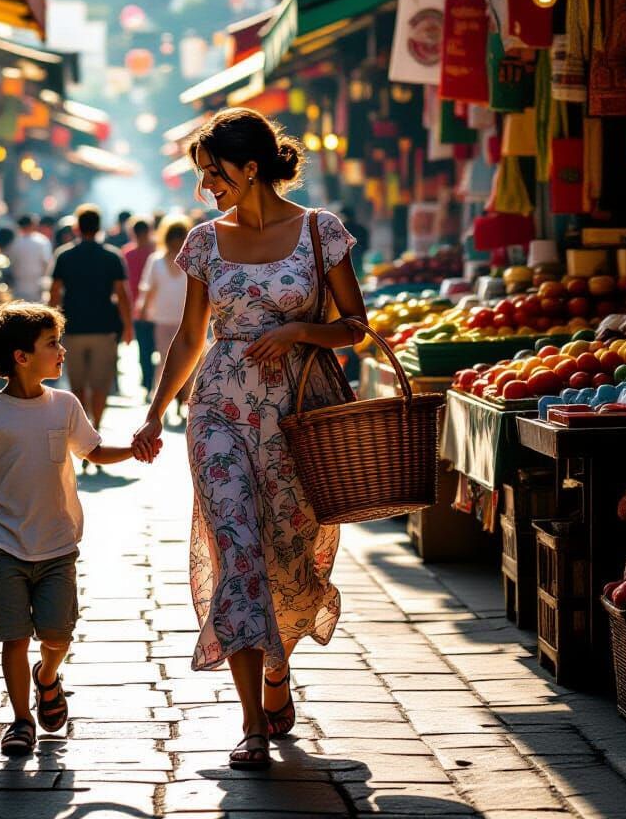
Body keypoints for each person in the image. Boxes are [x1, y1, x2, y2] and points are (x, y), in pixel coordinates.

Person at [131, 107, 367, 772]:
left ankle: (277, 666)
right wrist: (155, 413)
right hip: (218, 413)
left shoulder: (320, 232)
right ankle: (250, 726)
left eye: (215, 174)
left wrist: (299, 333)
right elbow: (188, 336)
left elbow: (354, 324)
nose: (207, 187)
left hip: (293, 416)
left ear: (251, 168)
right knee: (237, 551)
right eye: (203, 175)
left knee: (289, 554)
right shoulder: (204, 241)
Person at [0, 302, 160, 757]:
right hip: (4, 543)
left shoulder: (65, 406)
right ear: (21, 357)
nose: (62, 350)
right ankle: (21, 720)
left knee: (57, 635)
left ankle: (47, 676)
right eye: (52, 344)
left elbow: (92, 451)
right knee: (12, 636)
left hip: (57, 542)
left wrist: (133, 449)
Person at [49, 204, 133, 441]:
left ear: (77, 227)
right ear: (99, 227)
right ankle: (95, 426)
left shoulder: (64, 255)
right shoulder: (111, 256)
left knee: (77, 383)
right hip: (105, 328)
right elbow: (122, 294)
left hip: (73, 327)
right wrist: (128, 326)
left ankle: (83, 427)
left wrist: (50, 328)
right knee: (100, 383)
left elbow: (54, 293)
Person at [137, 216, 196, 423]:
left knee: (189, 364)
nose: (177, 241)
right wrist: (143, 310)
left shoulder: (192, 259)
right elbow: (149, 288)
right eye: (174, 237)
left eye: (181, 237)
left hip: (188, 320)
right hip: (162, 320)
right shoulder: (156, 260)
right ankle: (165, 404)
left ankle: (183, 402)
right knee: (165, 362)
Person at [122, 216, 157, 398]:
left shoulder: (127, 253)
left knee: (144, 350)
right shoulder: (157, 251)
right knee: (160, 349)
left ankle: (148, 382)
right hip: (158, 309)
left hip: (138, 309)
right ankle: (155, 383)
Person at [6, 214, 53, 301]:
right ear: (33, 224)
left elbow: (11, 263)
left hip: (19, 285)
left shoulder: (15, 243)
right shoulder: (42, 241)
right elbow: (47, 263)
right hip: (36, 284)